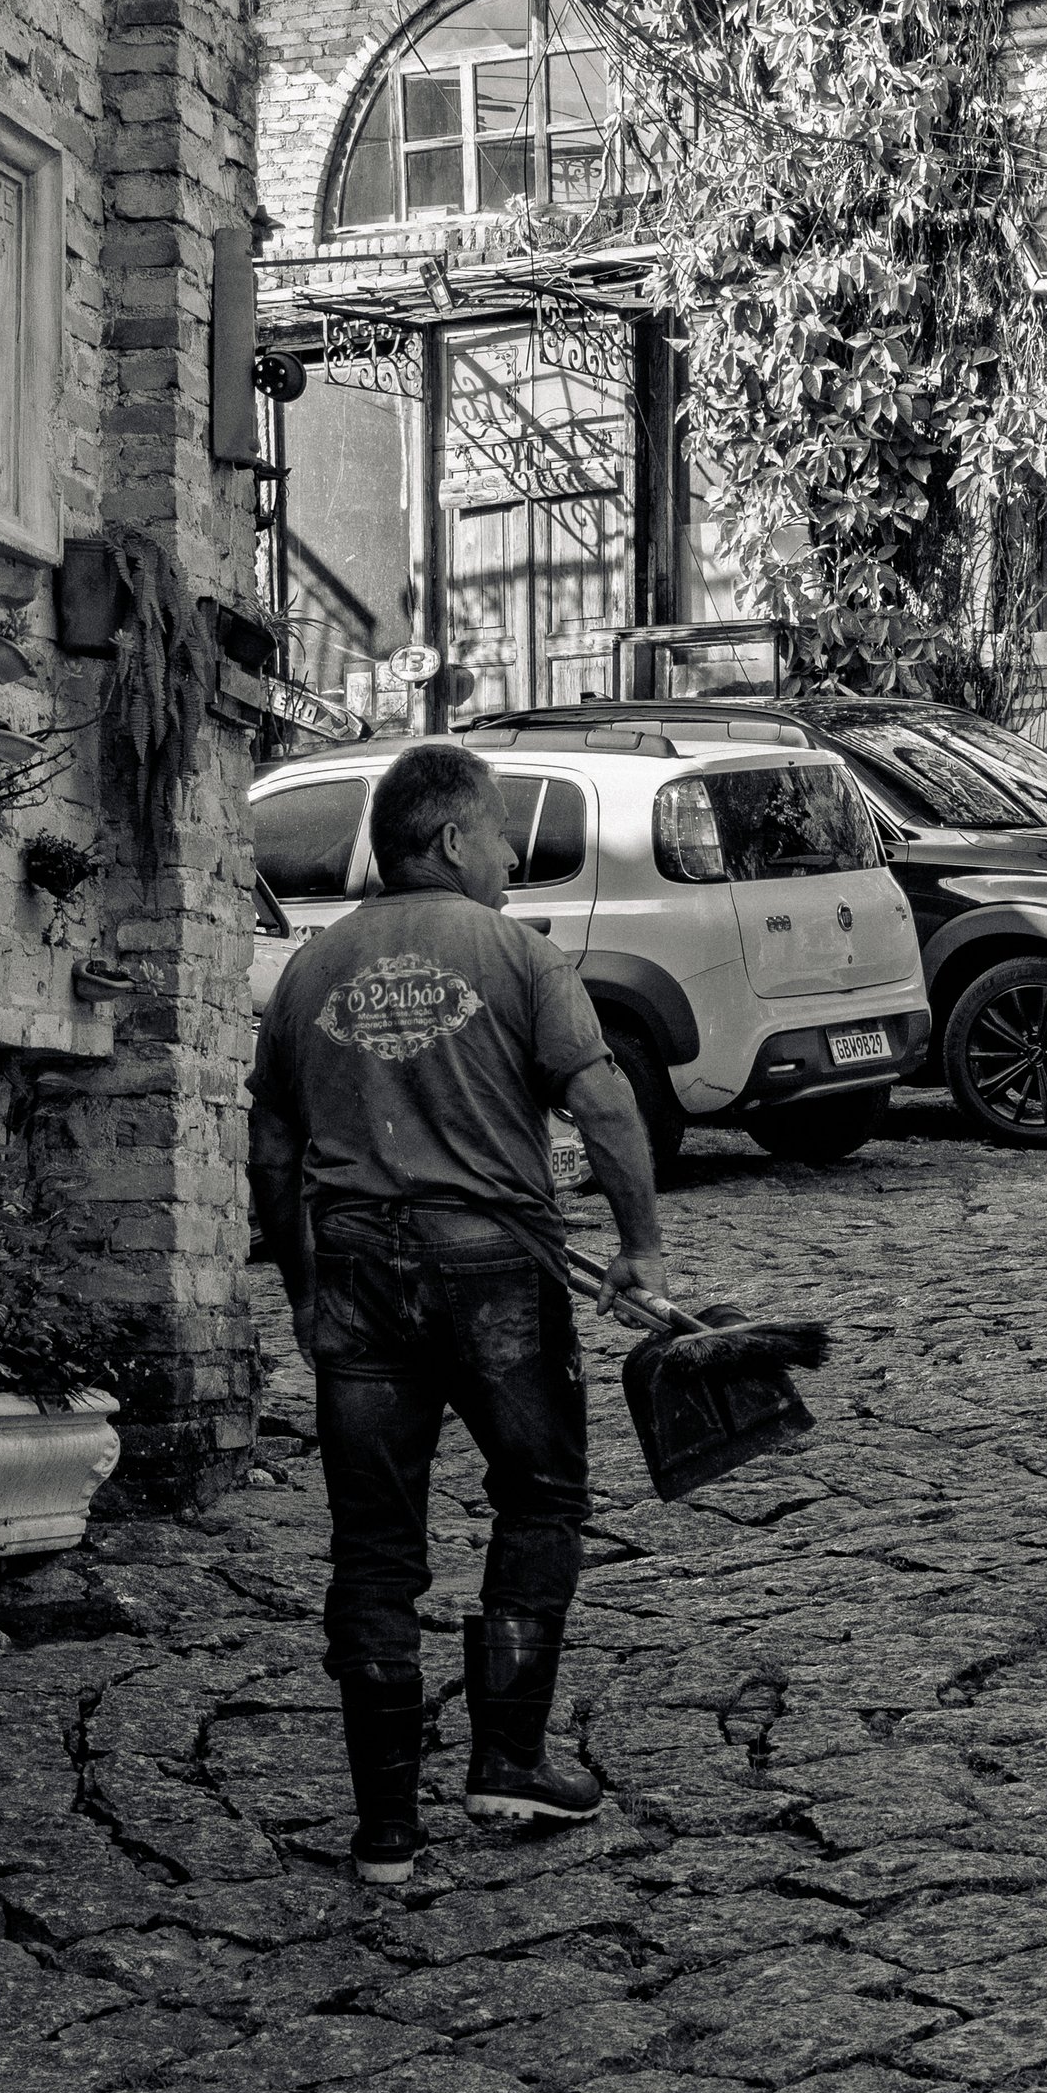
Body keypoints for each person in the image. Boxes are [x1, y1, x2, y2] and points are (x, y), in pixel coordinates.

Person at [248, 741, 671, 1886]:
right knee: (540, 1499)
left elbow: (274, 1148)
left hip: (355, 1281)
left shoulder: (310, 967)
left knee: (374, 1548)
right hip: (494, 1274)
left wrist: (300, 1285)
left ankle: (385, 1828)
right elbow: (604, 1102)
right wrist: (638, 1249)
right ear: (448, 839)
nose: (511, 853)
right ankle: (509, 1758)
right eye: (497, 834)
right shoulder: (517, 956)